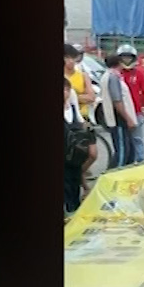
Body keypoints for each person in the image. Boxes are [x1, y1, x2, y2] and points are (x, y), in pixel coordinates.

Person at [96, 52, 140, 170]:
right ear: (119, 63)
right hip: (118, 120)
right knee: (122, 152)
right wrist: (128, 119)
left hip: (119, 118)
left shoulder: (110, 76)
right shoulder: (113, 77)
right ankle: (114, 176)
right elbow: (117, 101)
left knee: (129, 151)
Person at [63, 77, 97, 215]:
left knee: (74, 185)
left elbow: (81, 123)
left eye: (66, 89)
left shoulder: (72, 107)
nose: (64, 92)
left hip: (75, 157)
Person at [116, 44, 144, 159]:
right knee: (124, 140)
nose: (126, 60)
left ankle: (140, 160)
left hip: (137, 112)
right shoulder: (117, 74)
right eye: (124, 57)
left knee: (138, 139)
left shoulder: (139, 73)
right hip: (121, 111)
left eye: (129, 57)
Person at [65, 44, 96, 120]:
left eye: (73, 57)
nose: (71, 61)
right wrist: (81, 96)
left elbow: (91, 97)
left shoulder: (83, 75)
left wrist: (72, 97)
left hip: (84, 116)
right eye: (67, 58)